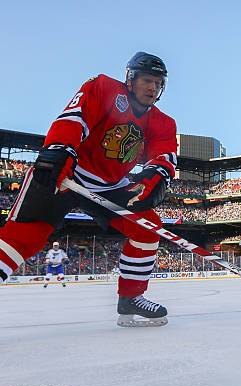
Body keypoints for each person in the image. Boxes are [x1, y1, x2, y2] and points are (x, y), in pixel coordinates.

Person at [0, 52, 178, 327]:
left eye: (158, 82)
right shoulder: (104, 88)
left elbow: (162, 157)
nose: (153, 88)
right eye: (147, 80)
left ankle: (130, 298)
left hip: (111, 186)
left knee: (147, 229)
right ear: (130, 79)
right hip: (69, 172)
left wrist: (155, 178)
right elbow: (75, 118)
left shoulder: (164, 123)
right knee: (27, 234)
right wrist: (60, 148)